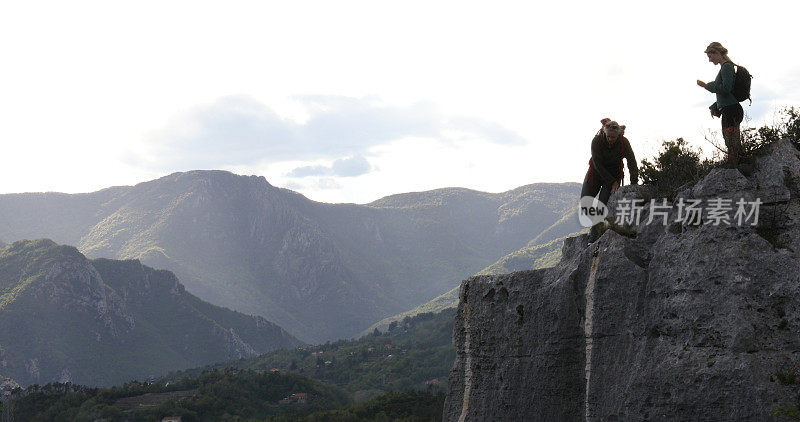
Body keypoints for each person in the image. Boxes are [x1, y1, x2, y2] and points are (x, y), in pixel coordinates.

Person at [581, 118, 638, 243]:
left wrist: (634, 183)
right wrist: (612, 181)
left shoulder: (624, 142)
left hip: (614, 174)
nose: (610, 139)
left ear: (619, 135)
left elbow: (631, 162)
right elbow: (597, 164)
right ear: (604, 133)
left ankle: (595, 232)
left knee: (602, 204)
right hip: (596, 173)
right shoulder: (596, 141)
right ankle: (599, 225)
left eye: (613, 137)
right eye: (608, 136)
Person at [697, 41, 743, 165]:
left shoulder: (727, 67)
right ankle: (736, 165)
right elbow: (725, 93)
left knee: (732, 142)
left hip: (731, 110)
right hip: (729, 109)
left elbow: (726, 89)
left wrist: (707, 86)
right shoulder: (725, 67)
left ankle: (735, 167)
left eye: (710, 56)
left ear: (717, 53)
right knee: (731, 141)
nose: (710, 60)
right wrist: (716, 106)